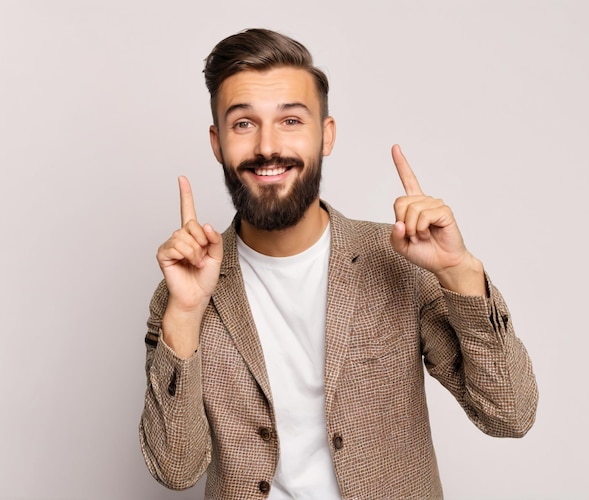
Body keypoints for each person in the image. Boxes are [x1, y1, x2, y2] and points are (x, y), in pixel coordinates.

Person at [139, 28, 538, 500]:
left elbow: (510, 414)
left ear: (326, 136)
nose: (268, 146)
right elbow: (175, 469)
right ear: (218, 142)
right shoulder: (181, 292)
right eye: (243, 123)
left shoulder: (396, 259)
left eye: (291, 121)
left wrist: (460, 272)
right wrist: (185, 315)